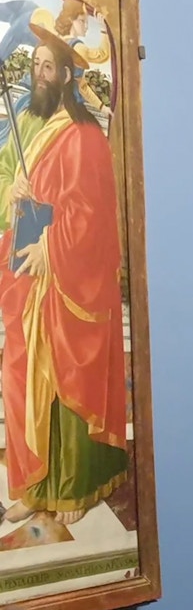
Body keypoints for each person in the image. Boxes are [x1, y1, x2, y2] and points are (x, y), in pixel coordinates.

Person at [0, 28, 128, 526]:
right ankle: (35, 486)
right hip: (33, 282)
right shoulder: (36, 130)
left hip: (69, 281)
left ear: (69, 76)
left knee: (68, 378)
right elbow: (41, 201)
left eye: (48, 67)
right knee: (24, 375)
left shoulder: (87, 137)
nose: (39, 74)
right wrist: (16, 197)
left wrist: (50, 246)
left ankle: (77, 486)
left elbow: (92, 218)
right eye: (36, 66)